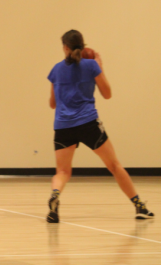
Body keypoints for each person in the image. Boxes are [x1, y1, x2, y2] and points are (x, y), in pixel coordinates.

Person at [46, 30, 154, 223]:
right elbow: (107, 94)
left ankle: (55, 196)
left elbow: (52, 104)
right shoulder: (91, 66)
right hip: (88, 123)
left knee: (62, 172)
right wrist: (100, 68)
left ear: (65, 47)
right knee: (114, 165)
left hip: (63, 126)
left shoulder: (56, 69)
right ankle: (139, 206)